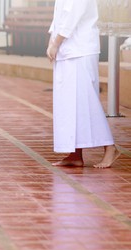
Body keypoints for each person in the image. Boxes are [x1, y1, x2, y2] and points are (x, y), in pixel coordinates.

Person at [47, 0, 120, 168]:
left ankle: (110, 147)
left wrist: (56, 43)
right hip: (67, 50)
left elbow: (73, 15)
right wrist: (52, 41)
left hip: (80, 50)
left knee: (86, 100)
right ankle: (75, 154)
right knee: (69, 105)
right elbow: (60, 15)